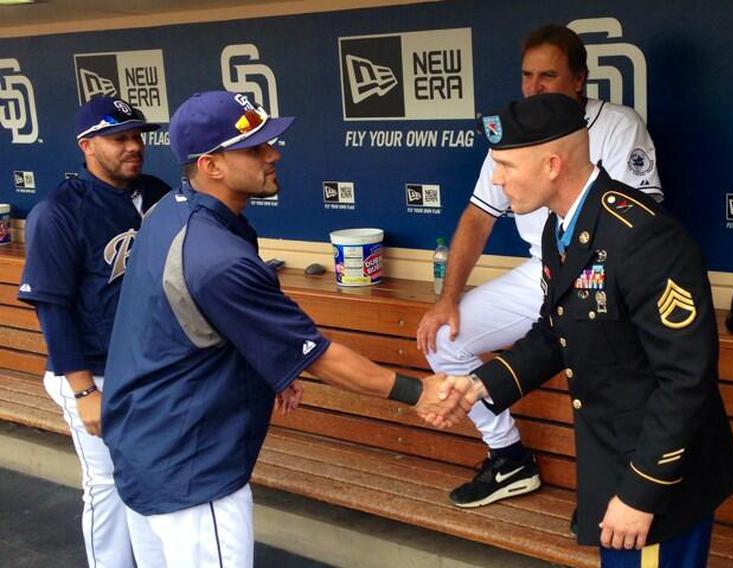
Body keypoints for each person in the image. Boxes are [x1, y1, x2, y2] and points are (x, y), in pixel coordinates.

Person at [100, 91, 471, 568]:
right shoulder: (214, 256)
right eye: (254, 148)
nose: (273, 153)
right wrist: (418, 392)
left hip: (143, 445)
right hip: (188, 470)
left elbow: (203, 322)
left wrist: (268, 367)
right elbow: (320, 356)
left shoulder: (173, 212)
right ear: (211, 165)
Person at [436, 93, 733, 567]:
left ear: (553, 165)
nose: (496, 180)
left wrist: (641, 494)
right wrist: (480, 385)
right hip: (615, 465)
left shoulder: (642, 236)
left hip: (658, 482)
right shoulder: (560, 228)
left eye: (505, 166)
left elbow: (686, 379)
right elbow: (552, 333)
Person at [416, 24, 664, 508]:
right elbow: (477, 216)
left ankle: (611, 492)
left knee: (602, 357)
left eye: (548, 75)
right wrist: (448, 298)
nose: (534, 87)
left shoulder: (617, 125)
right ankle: (508, 457)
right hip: (544, 271)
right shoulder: (514, 132)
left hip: (606, 275)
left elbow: (643, 216)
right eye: (527, 75)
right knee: (443, 337)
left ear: (579, 80)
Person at [17, 96, 170, 567]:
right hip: (93, 373)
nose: (133, 146)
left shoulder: (160, 194)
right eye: (118, 138)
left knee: (144, 483)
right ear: (87, 146)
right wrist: (83, 391)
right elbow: (52, 307)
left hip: (148, 368)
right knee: (106, 486)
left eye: (137, 135)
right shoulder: (59, 212)